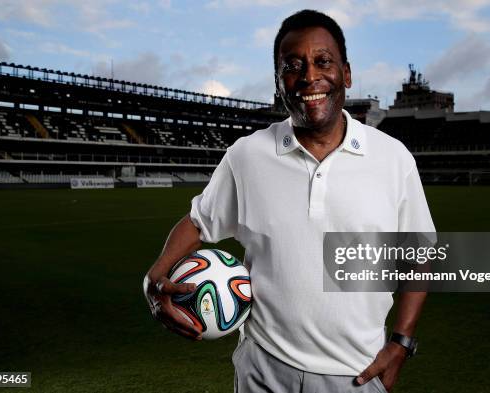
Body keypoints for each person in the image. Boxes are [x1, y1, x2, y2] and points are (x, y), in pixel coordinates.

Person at [143, 9, 435, 393]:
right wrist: (153, 278)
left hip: (355, 375)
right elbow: (199, 222)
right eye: (293, 66)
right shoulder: (246, 155)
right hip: (262, 368)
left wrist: (401, 342)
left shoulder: (393, 157)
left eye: (322, 61)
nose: (310, 76)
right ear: (279, 83)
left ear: (346, 73)